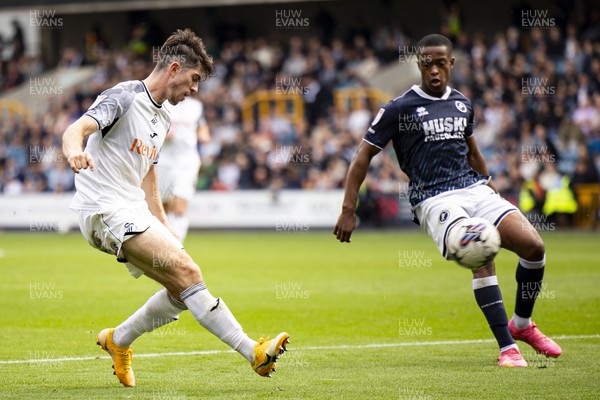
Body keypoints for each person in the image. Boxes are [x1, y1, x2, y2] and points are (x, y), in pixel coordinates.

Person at [62, 29, 288, 387]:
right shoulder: (124, 96)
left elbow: (148, 174)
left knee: (181, 292)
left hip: (132, 209)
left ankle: (118, 340)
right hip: (103, 208)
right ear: (174, 68)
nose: (196, 89)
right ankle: (254, 353)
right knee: (189, 272)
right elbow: (77, 128)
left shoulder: (163, 117)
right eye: (194, 79)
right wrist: (75, 150)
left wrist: (162, 222)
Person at [333, 34, 561, 367]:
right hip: (433, 199)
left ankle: (522, 325)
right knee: (480, 249)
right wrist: (348, 209)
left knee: (534, 247)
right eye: (428, 64)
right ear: (419, 65)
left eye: (441, 63)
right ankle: (506, 347)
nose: (435, 70)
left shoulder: (462, 103)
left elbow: (473, 153)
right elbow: (362, 156)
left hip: (475, 189)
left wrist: (490, 186)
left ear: (451, 63)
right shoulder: (398, 108)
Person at [157, 93, 210, 242]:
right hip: (164, 162)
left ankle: (175, 247)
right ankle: (162, 242)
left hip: (187, 162)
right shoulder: (162, 103)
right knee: (163, 207)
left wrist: (204, 136)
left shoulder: (196, 106)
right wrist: (163, 134)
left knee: (180, 207)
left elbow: (202, 128)